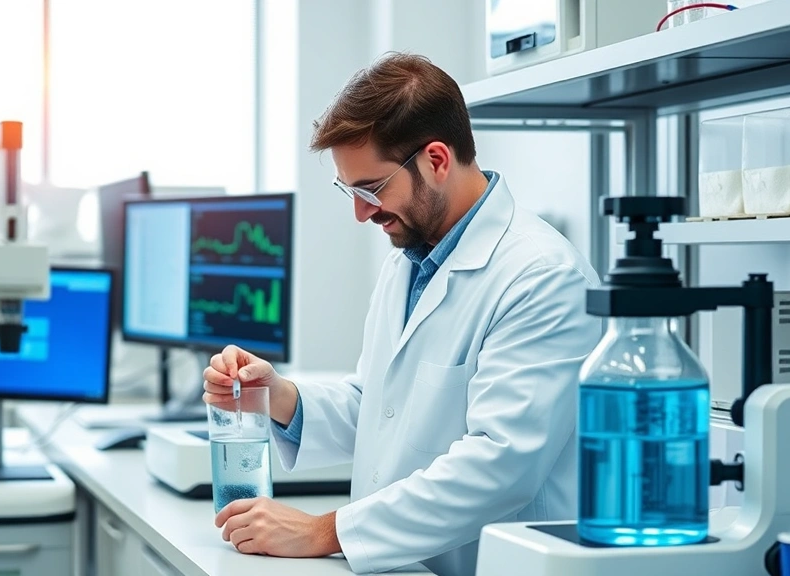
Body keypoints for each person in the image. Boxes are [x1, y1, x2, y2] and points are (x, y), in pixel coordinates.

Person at [202, 52, 603, 576]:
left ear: (437, 159)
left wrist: (325, 531)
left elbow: (501, 465)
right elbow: (378, 406)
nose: (360, 212)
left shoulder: (543, 276)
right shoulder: (411, 260)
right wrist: (281, 397)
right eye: (350, 191)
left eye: (371, 189)